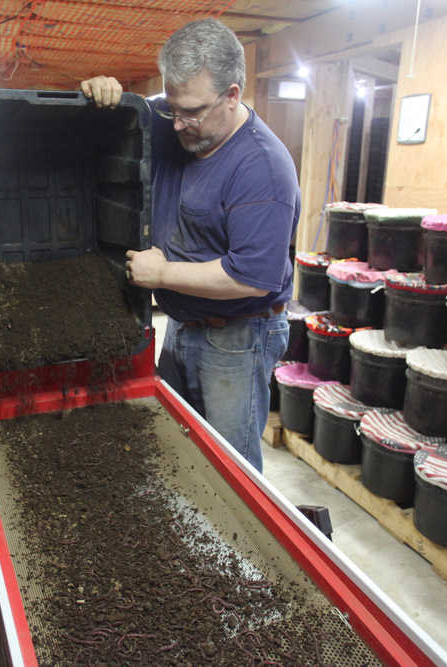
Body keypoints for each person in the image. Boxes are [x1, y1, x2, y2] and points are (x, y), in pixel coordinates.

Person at [80, 19, 299, 473]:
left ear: (233, 95)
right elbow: (131, 114)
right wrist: (107, 93)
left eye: (193, 112)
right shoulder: (172, 120)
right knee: (176, 444)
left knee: (229, 467)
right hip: (184, 323)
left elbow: (253, 277)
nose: (177, 123)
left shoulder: (262, 167)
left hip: (238, 335)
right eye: (172, 107)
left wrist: (161, 275)